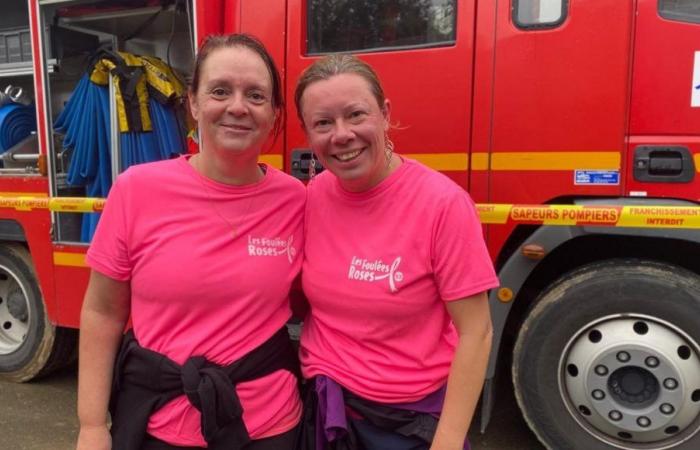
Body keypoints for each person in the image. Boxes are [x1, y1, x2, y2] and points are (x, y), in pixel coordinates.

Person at [76, 34, 305, 450]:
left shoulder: (297, 200)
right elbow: (102, 311)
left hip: (271, 426)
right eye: (220, 91)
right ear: (194, 103)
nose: (238, 106)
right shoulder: (136, 191)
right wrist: (92, 426)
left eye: (256, 95)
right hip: (161, 423)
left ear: (273, 113)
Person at [294, 54, 499, 450]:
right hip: (327, 410)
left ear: (385, 114)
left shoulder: (442, 204)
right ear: (308, 133)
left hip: (407, 422)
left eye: (356, 115)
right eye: (323, 123)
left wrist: (448, 442)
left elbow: (478, 332)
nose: (341, 135)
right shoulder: (312, 197)